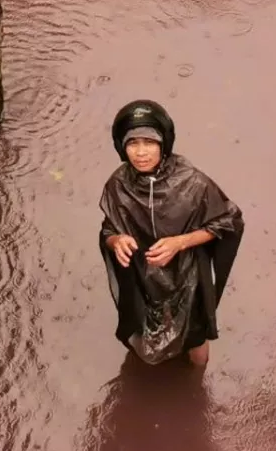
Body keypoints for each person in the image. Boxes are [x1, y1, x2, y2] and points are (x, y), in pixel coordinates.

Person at [98, 100, 245, 367]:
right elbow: (108, 228)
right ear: (121, 146)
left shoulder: (193, 181)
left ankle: (195, 388)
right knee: (140, 326)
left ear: (164, 143)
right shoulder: (117, 184)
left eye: (150, 142)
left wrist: (180, 243)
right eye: (132, 143)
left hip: (187, 273)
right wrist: (116, 240)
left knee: (196, 335)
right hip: (142, 274)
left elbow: (229, 220)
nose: (141, 153)